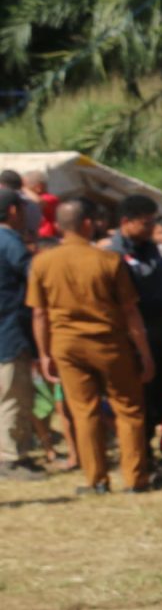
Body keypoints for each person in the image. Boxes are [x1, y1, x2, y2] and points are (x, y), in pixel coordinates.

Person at [28, 198, 156, 494]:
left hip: (67, 346)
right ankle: (135, 478)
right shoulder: (108, 261)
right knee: (128, 409)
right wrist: (145, 353)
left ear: (59, 226)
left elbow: (39, 313)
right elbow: (130, 312)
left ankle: (96, 479)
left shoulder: (43, 262)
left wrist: (44, 352)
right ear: (88, 224)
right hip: (110, 344)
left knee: (84, 411)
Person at [109, 197, 162, 462]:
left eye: (153, 221)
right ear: (126, 222)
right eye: (146, 222)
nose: (151, 227)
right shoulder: (113, 253)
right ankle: (141, 458)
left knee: (161, 395)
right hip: (135, 334)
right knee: (141, 397)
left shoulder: (150, 248)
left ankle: (149, 448)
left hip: (161, 331)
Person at [0, 190, 41, 479]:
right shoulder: (11, 243)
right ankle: (11, 459)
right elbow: (35, 277)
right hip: (10, 330)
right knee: (14, 395)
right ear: (13, 210)